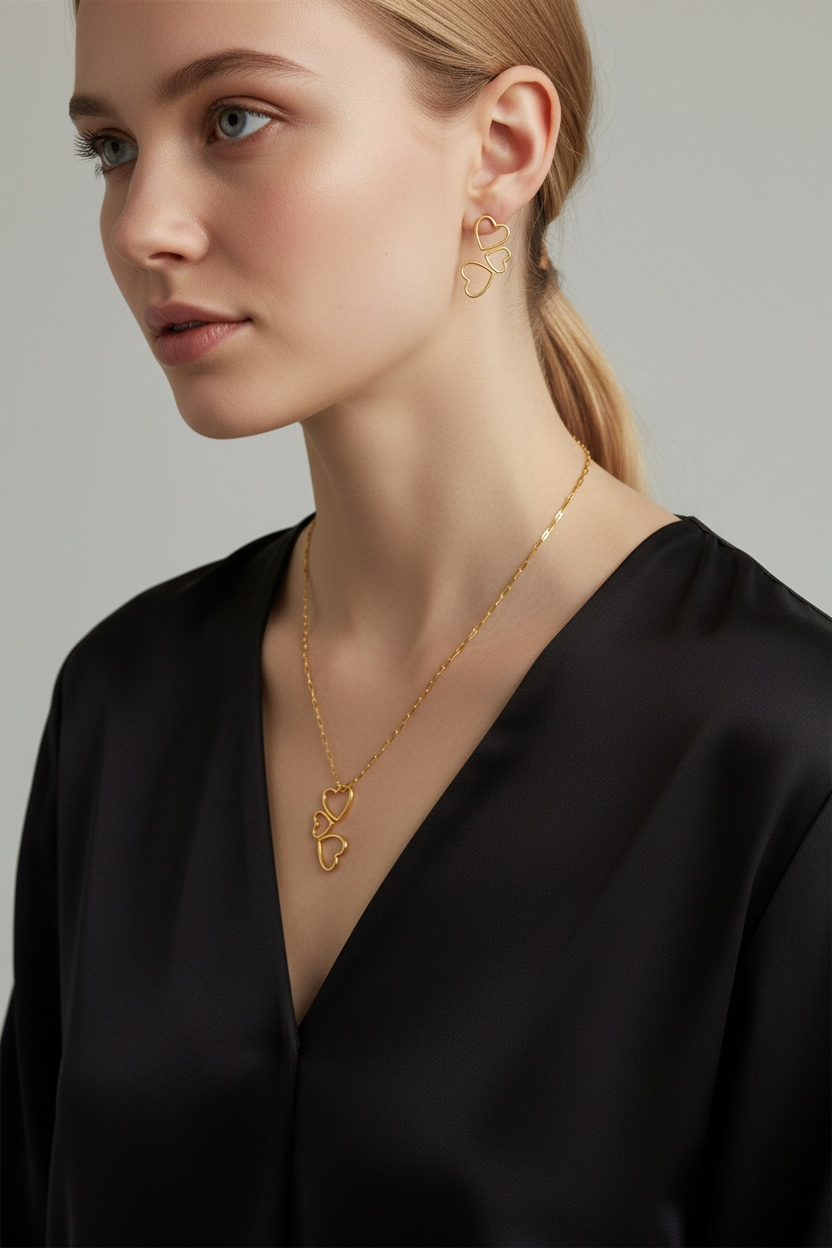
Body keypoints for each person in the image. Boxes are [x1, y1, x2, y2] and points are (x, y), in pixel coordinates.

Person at [2, 0, 829, 1244]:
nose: (140, 226)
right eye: (111, 148)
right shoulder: (126, 702)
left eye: (235, 120)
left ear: (500, 148)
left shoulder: (781, 756)